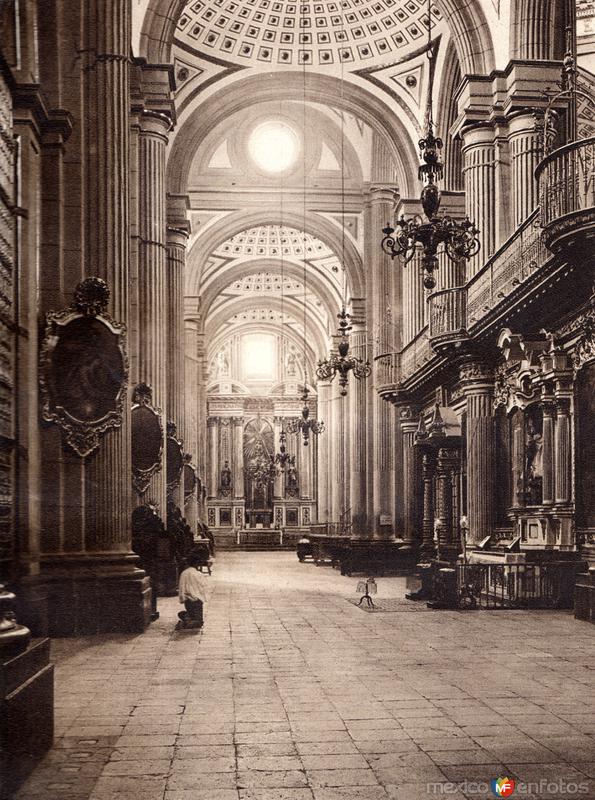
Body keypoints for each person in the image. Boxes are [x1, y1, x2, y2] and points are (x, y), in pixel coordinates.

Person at [177, 553, 208, 629]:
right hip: (197, 601)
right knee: (199, 622)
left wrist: (183, 598)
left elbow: (181, 587)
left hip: (187, 601)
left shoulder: (183, 573)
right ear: (197, 563)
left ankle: (187, 618)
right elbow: (204, 586)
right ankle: (185, 623)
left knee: (192, 615)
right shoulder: (198, 574)